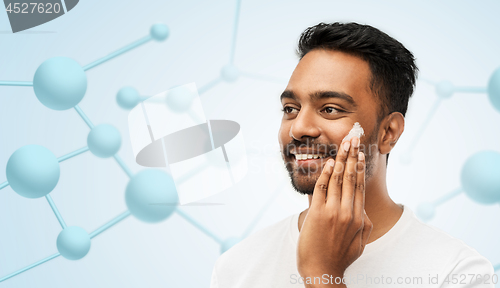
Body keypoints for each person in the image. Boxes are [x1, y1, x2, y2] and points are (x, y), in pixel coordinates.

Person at [210, 22, 496, 288]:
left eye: (330, 109)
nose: (299, 128)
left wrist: (323, 274)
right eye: (290, 109)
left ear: (388, 132)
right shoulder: (236, 269)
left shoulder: (458, 273)